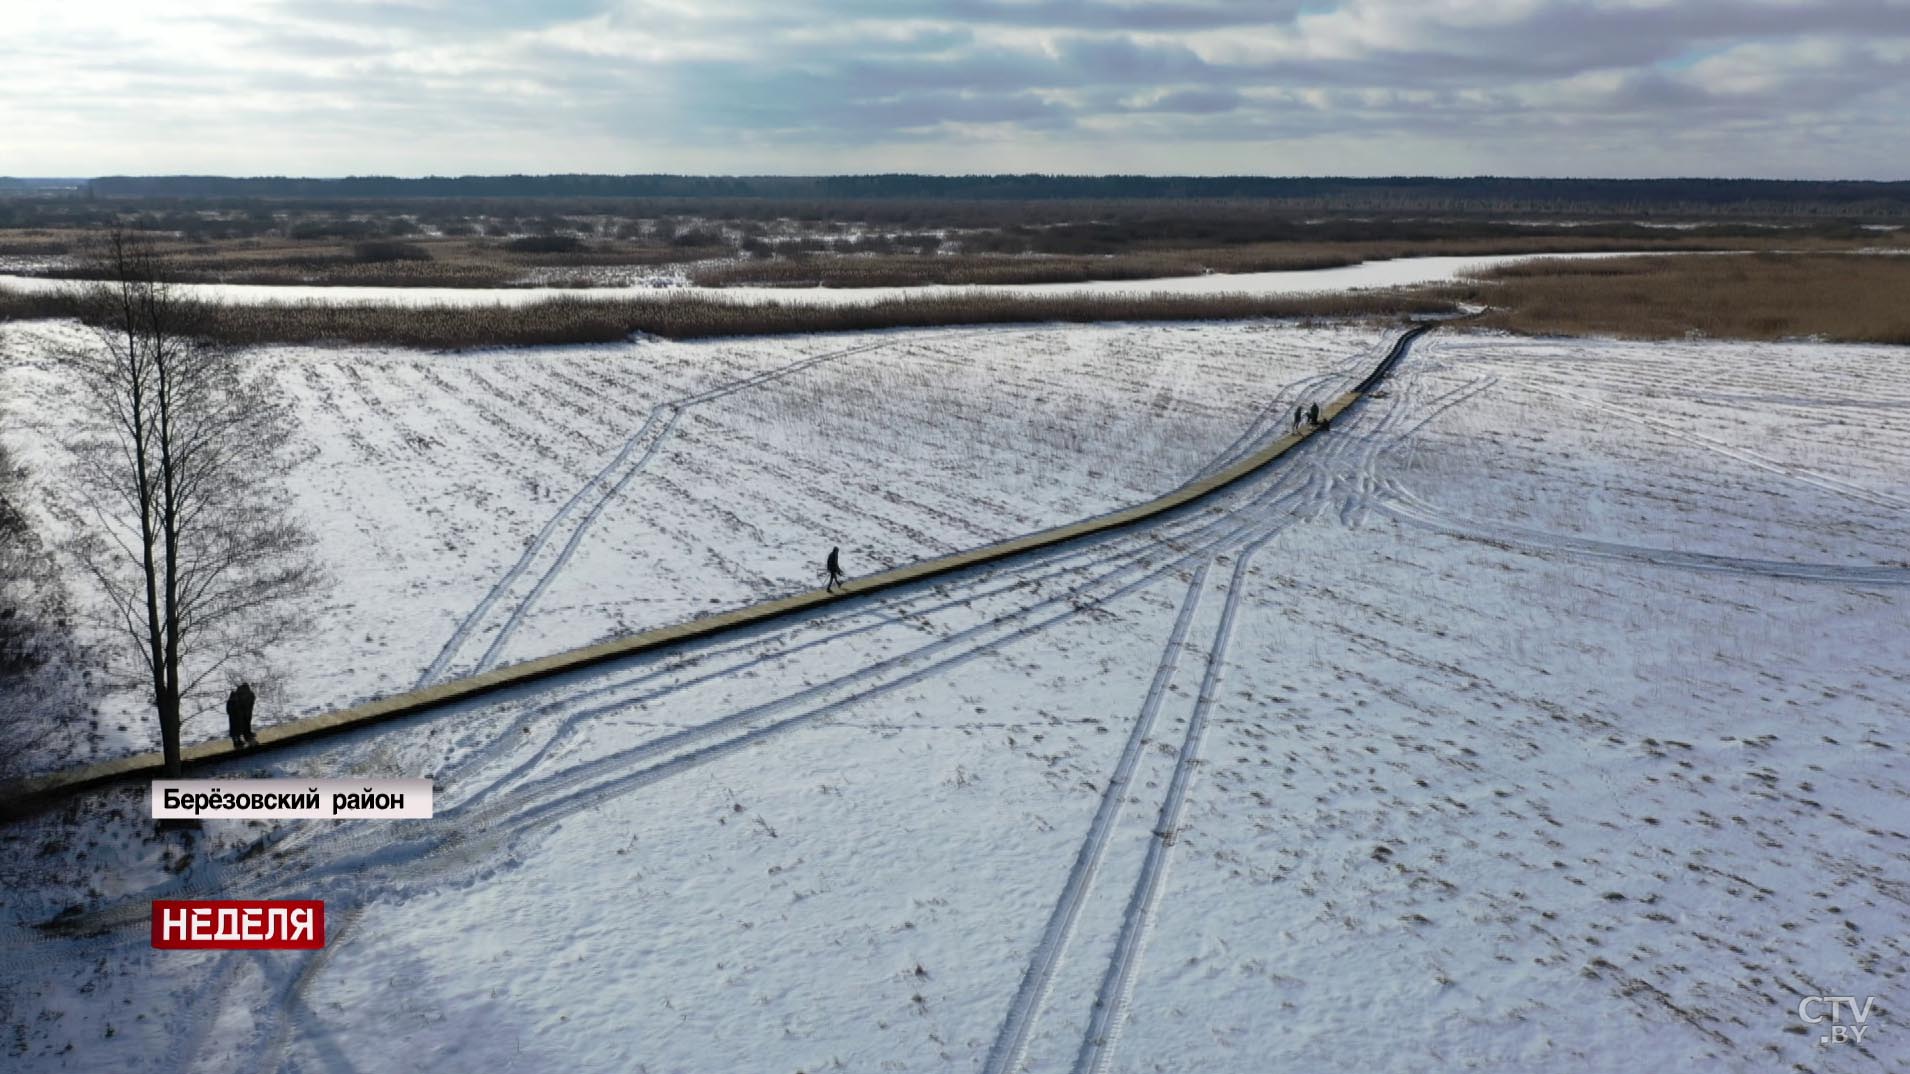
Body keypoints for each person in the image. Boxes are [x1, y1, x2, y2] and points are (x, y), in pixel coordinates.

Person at [226, 683, 257, 749]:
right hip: (237, 714)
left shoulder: (249, 696)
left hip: (244, 713)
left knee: (245, 724)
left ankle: (246, 737)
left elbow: (249, 706)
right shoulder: (235, 698)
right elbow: (231, 710)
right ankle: (238, 741)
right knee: (236, 727)